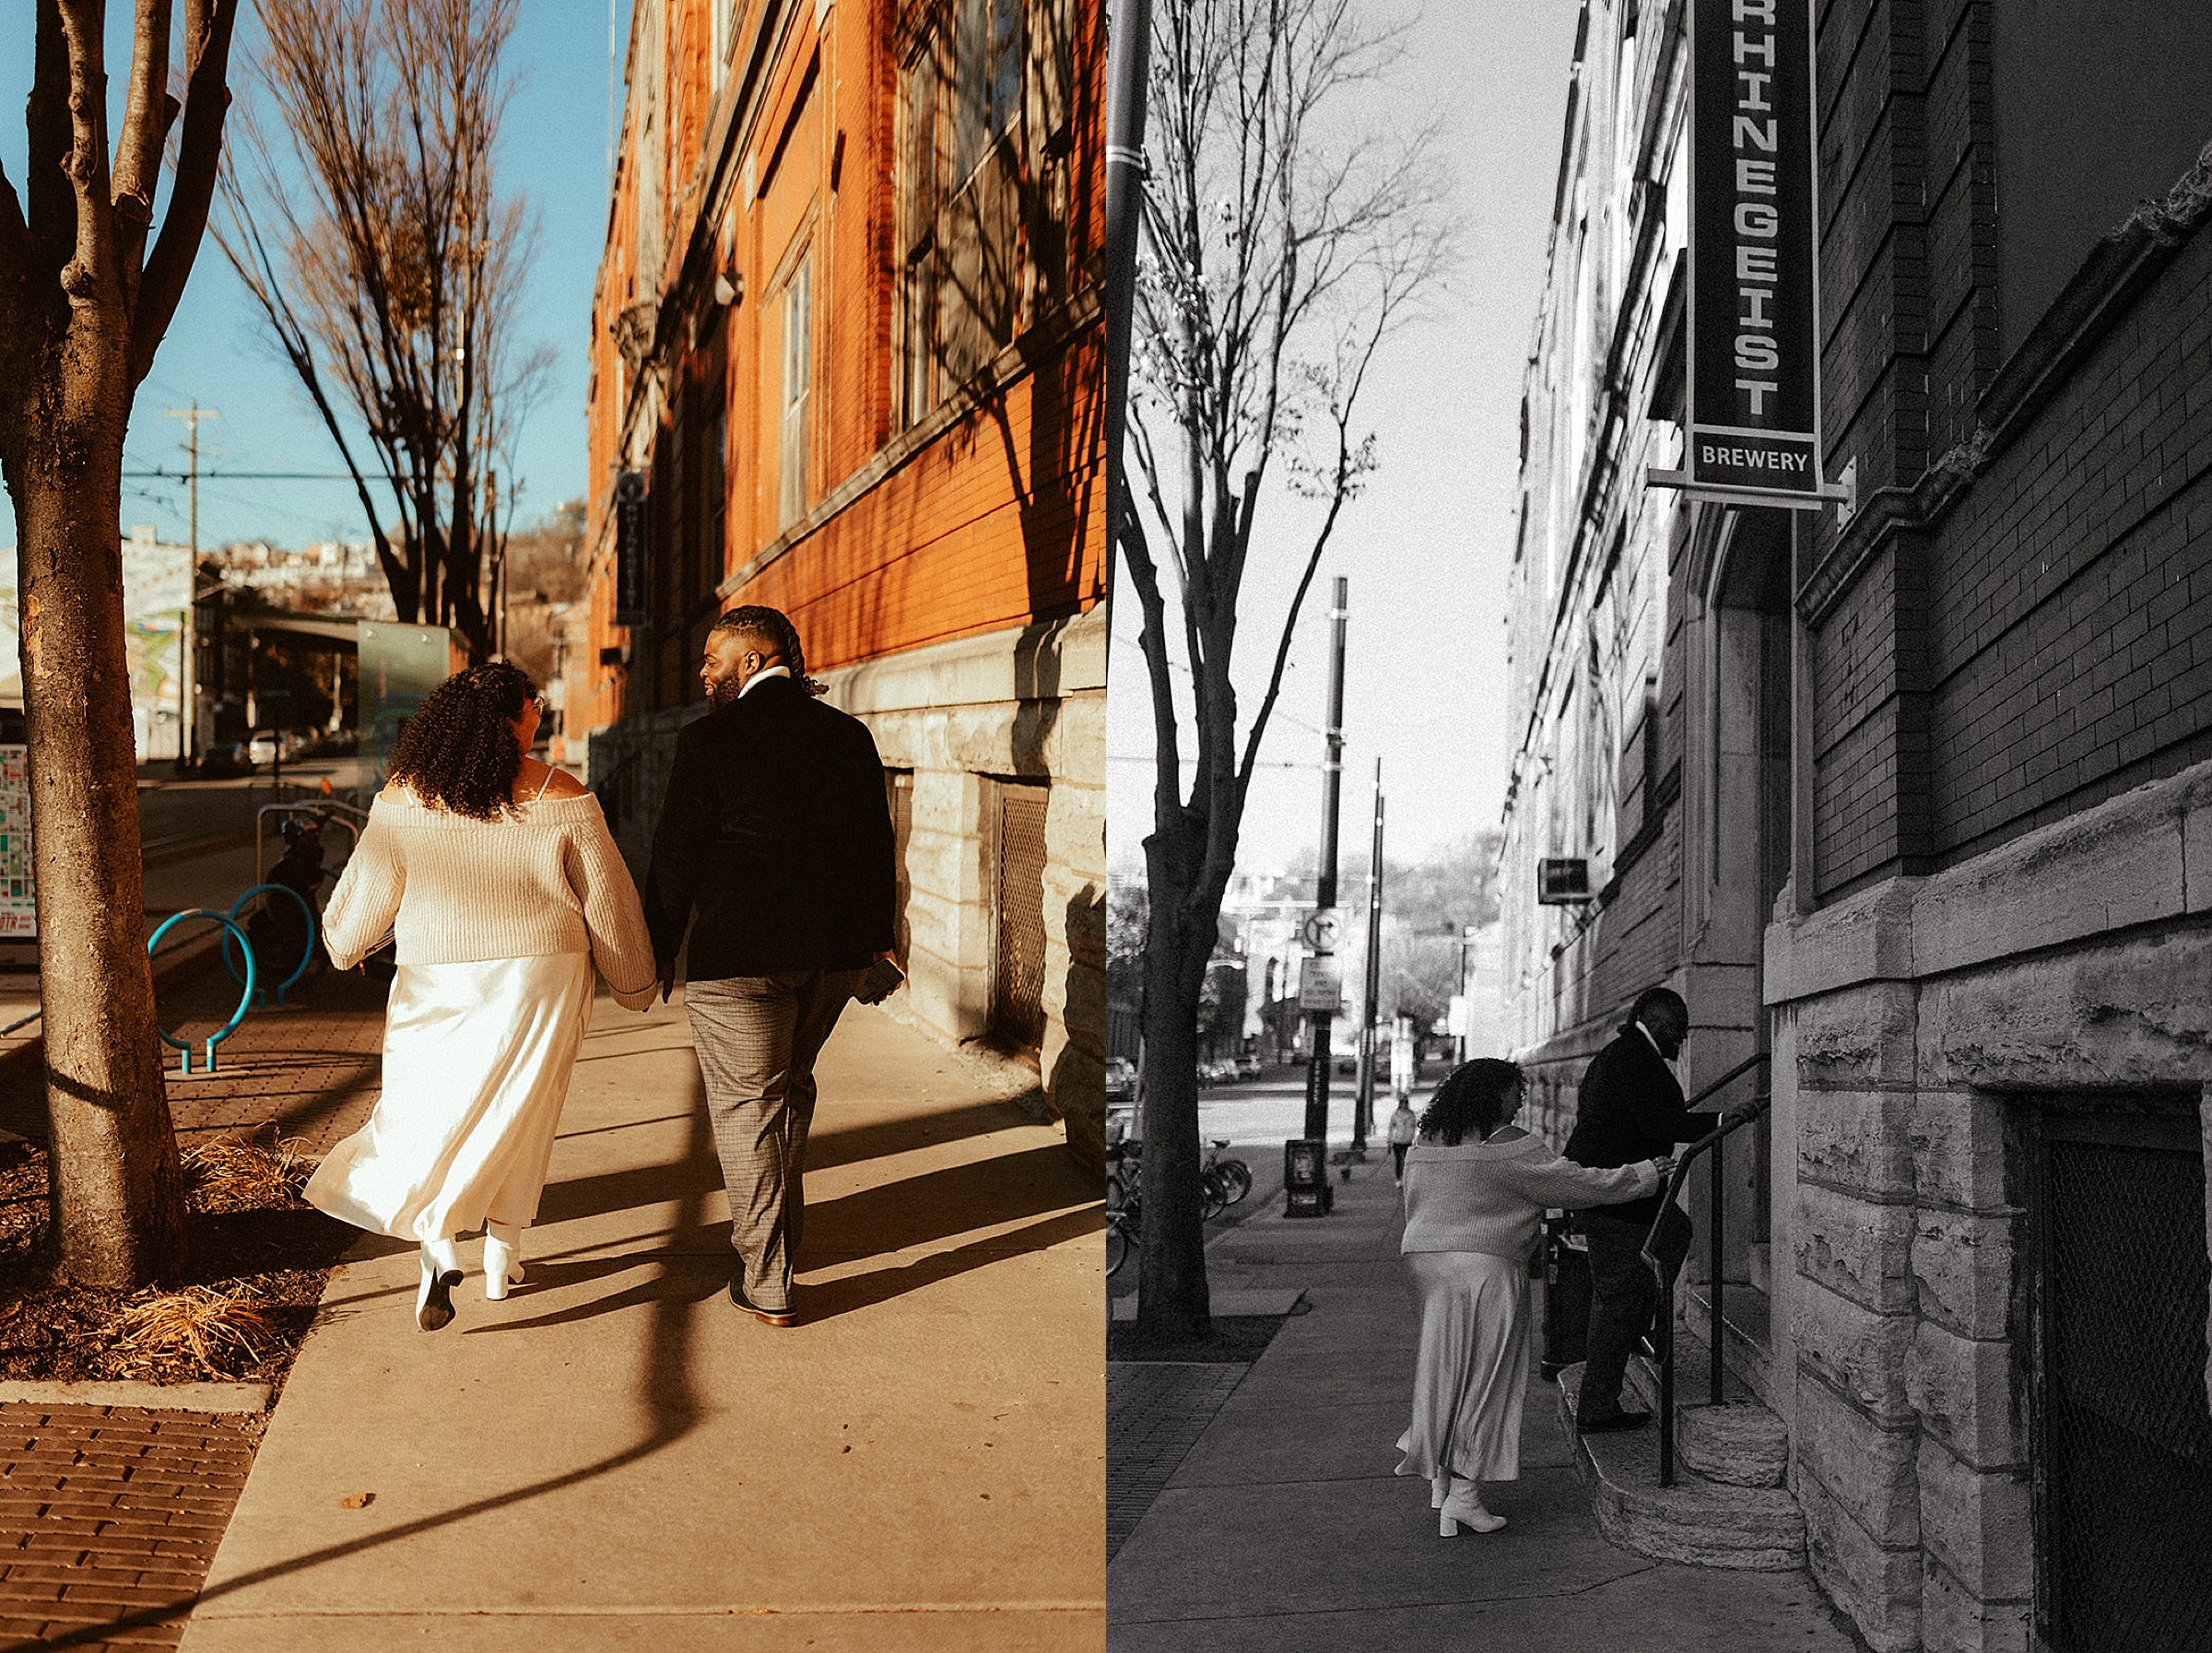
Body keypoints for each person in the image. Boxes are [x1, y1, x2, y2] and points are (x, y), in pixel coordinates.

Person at [306, 662, 658, 1332]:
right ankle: (502, 1258)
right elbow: (609, 900)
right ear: (510, 719)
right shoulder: (562, 794)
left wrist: (342, 943)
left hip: (436, 977)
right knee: (523, 1109)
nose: (539, 717)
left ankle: (437, 1246)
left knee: (424, 1109)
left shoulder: (402, 800)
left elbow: (353, 923)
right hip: (540, 974)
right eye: (533, 708)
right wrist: (634, 981)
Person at [641, 606, 898, 1328]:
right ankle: (780, 1248)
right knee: (787, 1093)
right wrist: (875, 944)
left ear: (754, 660)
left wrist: (658, 949)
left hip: (739, 959)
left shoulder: (709, 741)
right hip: (829, 961)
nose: (702, 673)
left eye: (712, 660)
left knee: (749, 1109)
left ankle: (769, 1279)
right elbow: (876, 847)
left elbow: (676, 857)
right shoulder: (848, 736)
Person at [1397, 1059, 1668, 1535]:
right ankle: (1463, 1496)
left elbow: (1416, 1202)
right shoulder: (1508, 1147)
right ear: (1492, 1095)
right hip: (1486, 1265)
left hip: (1429, 1265)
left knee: (1443, 1371)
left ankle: (1439, 1480)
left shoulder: (1426, 1142)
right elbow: (1576, 1184)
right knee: (1487, 1380)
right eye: (1513, 1092)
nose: (1520, 1100)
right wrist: (1643, 1175)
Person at [1563, 985, 1756, 1431]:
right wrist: (1728, 1118)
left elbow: (1650, 1119)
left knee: (1672, 1234)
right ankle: (1598, 1405)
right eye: (1680, 1033)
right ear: (1663, 1025)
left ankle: (1639, 1323)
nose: (1681, 1043)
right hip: (1615, 1199)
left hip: (1619, 1195)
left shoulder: (1624, 1054)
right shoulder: (1635, 1060)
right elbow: (1662, 1122)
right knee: (1617, 1300)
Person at [1386, 1096, 1418, 1185]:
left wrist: (1414, 1138)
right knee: (1398, 1160)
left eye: (1405, 1103)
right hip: (1397, 1140)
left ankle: (1405, 1177)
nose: (1404, 1105)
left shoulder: (1411, 1115)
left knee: (1407, 1160)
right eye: (1402, 1103)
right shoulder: (1396, 1114)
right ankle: (1398, 1178)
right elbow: (1391, 1127)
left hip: (1408, 1140)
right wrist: (1389, 1140)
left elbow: (1414, 1127)